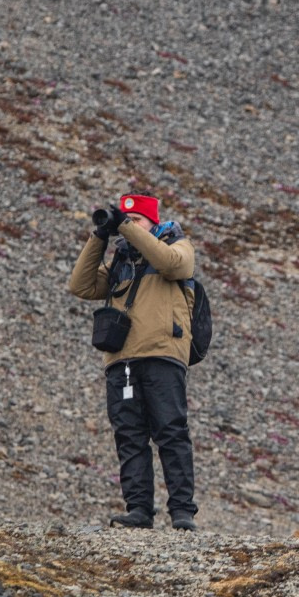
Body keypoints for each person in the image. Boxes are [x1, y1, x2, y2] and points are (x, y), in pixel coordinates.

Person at [68, 193, 199, 531]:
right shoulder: (120, 261)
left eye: (138, 220)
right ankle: (139, 509)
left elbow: (172, 264)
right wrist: (100, 236)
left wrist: (126, 226)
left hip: (162, 355)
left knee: (170, 431)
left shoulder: (177, 245)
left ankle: (182, 512)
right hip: (121, 360)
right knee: (129, 435)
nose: (130, 228)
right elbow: (80, 284)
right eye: (129, 222)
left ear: (152, 222)